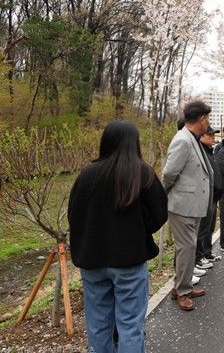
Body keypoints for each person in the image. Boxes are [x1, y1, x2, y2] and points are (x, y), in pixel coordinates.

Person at [68, 120, 168, 351]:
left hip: (92, 261)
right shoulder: (142, 172)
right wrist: (137, 230)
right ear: (135, 143)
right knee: (130, 326)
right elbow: (159, 214)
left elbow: (74, 214)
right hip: (129, 262)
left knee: (98, 326)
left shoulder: (87, 174)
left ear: (106, 142)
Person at [163, 101, 213, 311]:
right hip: (182, 206)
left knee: (188, 248)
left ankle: (181, 286)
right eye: (207, 118)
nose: (208, 122)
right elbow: (169, 173)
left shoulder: (192, 138)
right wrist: (166, 194)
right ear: (201, 119)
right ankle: (182, 291)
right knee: (187, 248)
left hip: (192, 205)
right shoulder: (183, 140)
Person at [195, 125, 223, 268]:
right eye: (209, 135)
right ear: (201, 136)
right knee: (202, 228)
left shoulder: (209, 150)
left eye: (213, 135)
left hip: (214, 195)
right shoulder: (200, 151)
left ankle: (207, 252)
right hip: (205, 196)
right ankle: (199, 257)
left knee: (209, 227)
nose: (213, 137)